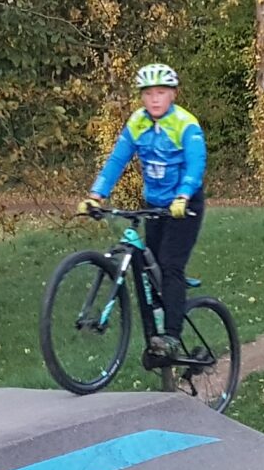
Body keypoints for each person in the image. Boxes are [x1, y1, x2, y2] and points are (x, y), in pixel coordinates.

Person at [87, 62, 207, 362]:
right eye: (148, 93)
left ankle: (172, 336)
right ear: (141, 96)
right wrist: (96, 194)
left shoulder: (185, 124)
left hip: (184, 206)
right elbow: (117, 160)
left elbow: (196, 164)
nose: (154, 99)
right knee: (148, 268)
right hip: (154, 205)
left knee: (169, 265)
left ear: (173, 94)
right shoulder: (137, 123)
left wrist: (184, 194)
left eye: (161, 92)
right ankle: (156, 332)